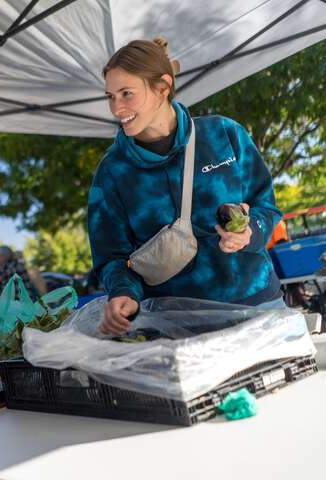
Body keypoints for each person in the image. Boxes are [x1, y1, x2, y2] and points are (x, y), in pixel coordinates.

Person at [88, 38, 283, 336]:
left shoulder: (223, 133)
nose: (116, 108)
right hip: (176, 327)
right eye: (110, 96)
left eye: (126, 94)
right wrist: (123, 292)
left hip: (258, 308)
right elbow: (110, 256)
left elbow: (266, 207)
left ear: (163, 87)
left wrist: (250, 232)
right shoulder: (111, 172)